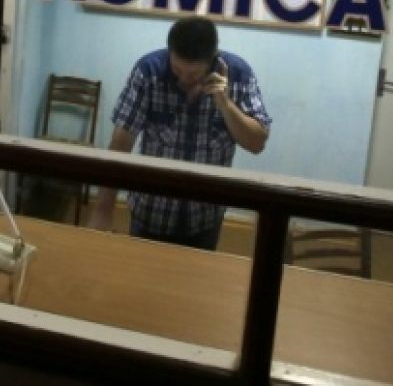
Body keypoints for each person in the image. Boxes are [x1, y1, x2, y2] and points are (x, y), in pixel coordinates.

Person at [87, 16, 271, 250]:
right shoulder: (149, 71)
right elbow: (121, 143)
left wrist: (225, 104)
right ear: (169, 53)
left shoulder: (238, 74)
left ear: (213, 60)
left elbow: (256, 143)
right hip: (151, 212)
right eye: (177, 70)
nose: (184, 79)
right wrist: (103, 209)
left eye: (194, 74)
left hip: (205, 216)